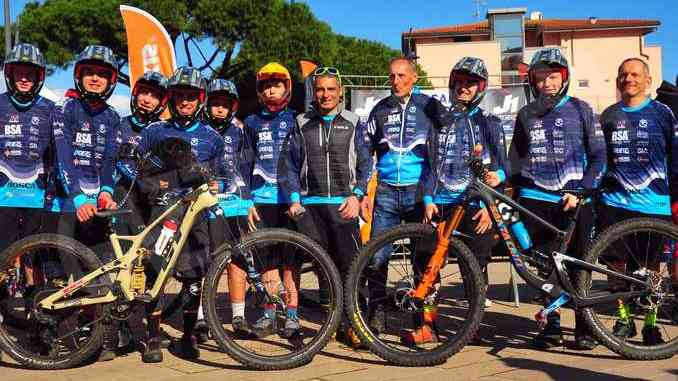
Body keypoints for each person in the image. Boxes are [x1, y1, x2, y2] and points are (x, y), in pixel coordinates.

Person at [509, 47, 606, 350]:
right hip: (537, 201)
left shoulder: (582, 109)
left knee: (580, 266)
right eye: (541, 78)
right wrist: (511, 185)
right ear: (533, 81)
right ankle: (550, 325)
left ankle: (583, 327)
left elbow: (600, 155)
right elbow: (516, 158)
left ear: (563, 78)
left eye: (553, 76)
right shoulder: (525, 114)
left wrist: (582, 191)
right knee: (547, 269)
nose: (547, 83)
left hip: (575, 202)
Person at [406, 57, 506, 345]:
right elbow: (428, 165)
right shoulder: (439, 122)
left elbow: (502, 168)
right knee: (426, 264)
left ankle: (472, 326)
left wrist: (492, 205)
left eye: (470, 83)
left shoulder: (490, 123)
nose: (463, 88)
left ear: (481, 87)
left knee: (474, 266)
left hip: (475, 207)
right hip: (438, 204)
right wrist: (426, 198)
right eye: (459, 83)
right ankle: (426, 324)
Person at [137, 66, 225, 362]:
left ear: (200, 99)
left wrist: (217, 183)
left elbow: (224, 175)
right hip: (162, 215)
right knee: (156, 275)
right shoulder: (153, 132)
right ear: (170, 98)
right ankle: (152, 338)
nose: (185, 101)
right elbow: (140, 174)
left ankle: (187, 337)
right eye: (180, 96)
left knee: (194, 277)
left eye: (191, 96)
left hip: (196, 218)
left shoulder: (212, 137)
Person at [280, 66, 371, 340]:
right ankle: (332, 321)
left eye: (331, 89)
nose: (325, 94)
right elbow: (289, 165)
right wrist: (295, 200)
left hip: (344, 204)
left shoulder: (354, 122)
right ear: (314, 91)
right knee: (322, 268)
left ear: (340, 91)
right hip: (311, 204)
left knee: (351, 267)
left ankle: (353, 322)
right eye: (320, 89)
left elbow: (366, 163)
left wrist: (357, 195)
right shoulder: (301, 122)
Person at [362, 56, 445, 333]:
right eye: (392, 77)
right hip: (385, 191)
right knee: (377, 258)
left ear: (414, 78)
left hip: (419, 193)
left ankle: (425, 321)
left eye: (401, 76)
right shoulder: (380, 110)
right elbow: (365, 152)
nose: (396, 81)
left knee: (424, 259)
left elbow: (445, 147)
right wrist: (362, 191)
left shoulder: (430, 107)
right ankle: (376, 314)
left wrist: (435, 193)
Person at [598, 58, 678, 345]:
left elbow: (675, 156)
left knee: (652, 267)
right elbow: (599, 159)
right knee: (615, 265)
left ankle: (650, 324)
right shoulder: (607, 115)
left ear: (647, 79)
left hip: (653, 203)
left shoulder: (663, 113)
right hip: (614, 202)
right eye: (623, 74)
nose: (628, 79)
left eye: (635, 74)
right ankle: (624, 319)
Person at [50, 45, 121, 361]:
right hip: (67, 204)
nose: (95, 79)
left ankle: (99, 338)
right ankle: (62, 337)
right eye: (90, 73)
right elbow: (63, 158)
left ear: (111, 80)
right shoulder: (64, 109)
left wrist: (106, 190)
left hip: (98, 207)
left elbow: (109, 162)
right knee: (69, 278)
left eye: (102, 74)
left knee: (101, 274)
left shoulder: (112, 116)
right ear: (79, 75)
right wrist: (78, 197)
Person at [112, 70, 168, 354]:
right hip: (126, 203)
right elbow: (119, 162)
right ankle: (124, 329)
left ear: (162, 101)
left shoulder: (165, 129)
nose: (147, 99)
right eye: (143, 92)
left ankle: (153, 333)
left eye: (154, 95)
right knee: (126, 266)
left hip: (156, 205)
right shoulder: (120, 125)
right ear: (135, 95)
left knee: (154, 265)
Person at [243, 62, 299, 338]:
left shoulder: (296, 120)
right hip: (261, 200)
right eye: (266, 86)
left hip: (289, 202)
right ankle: (268, 313)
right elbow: (245, 162)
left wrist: (299, 197)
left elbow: (302, 163)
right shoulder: (251, 123)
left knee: (290, 263)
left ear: (286, 88)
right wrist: (247, 201)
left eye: (276, 85)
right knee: (267, 263)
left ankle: (292, 315)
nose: (271, 91)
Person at [203, 78, 252, 337]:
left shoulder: (239, 131)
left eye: (225, 105)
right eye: (215, 104)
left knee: (237, 261)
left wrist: (247, 201)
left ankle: (238, 316)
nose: (220, 109)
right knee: (207, 262)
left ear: (232, 107)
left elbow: (245, 168)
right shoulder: (199, 130)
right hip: (207, 207)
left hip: (234, 205)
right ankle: (202, 316)